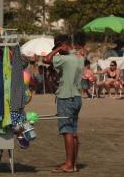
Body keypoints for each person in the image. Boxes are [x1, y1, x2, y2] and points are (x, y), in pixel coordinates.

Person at [43, 34, 84, 173]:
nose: (58, 51)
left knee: (67, 132)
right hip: (77, 98)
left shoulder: (65, 59)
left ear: (64, 45)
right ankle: (73, 163)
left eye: (59, 47)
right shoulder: (79, 57)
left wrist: (58, 49)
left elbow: (46, 59)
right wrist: (62, 48)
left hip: (66, 98)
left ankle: (68, 165)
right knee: (73, 132)